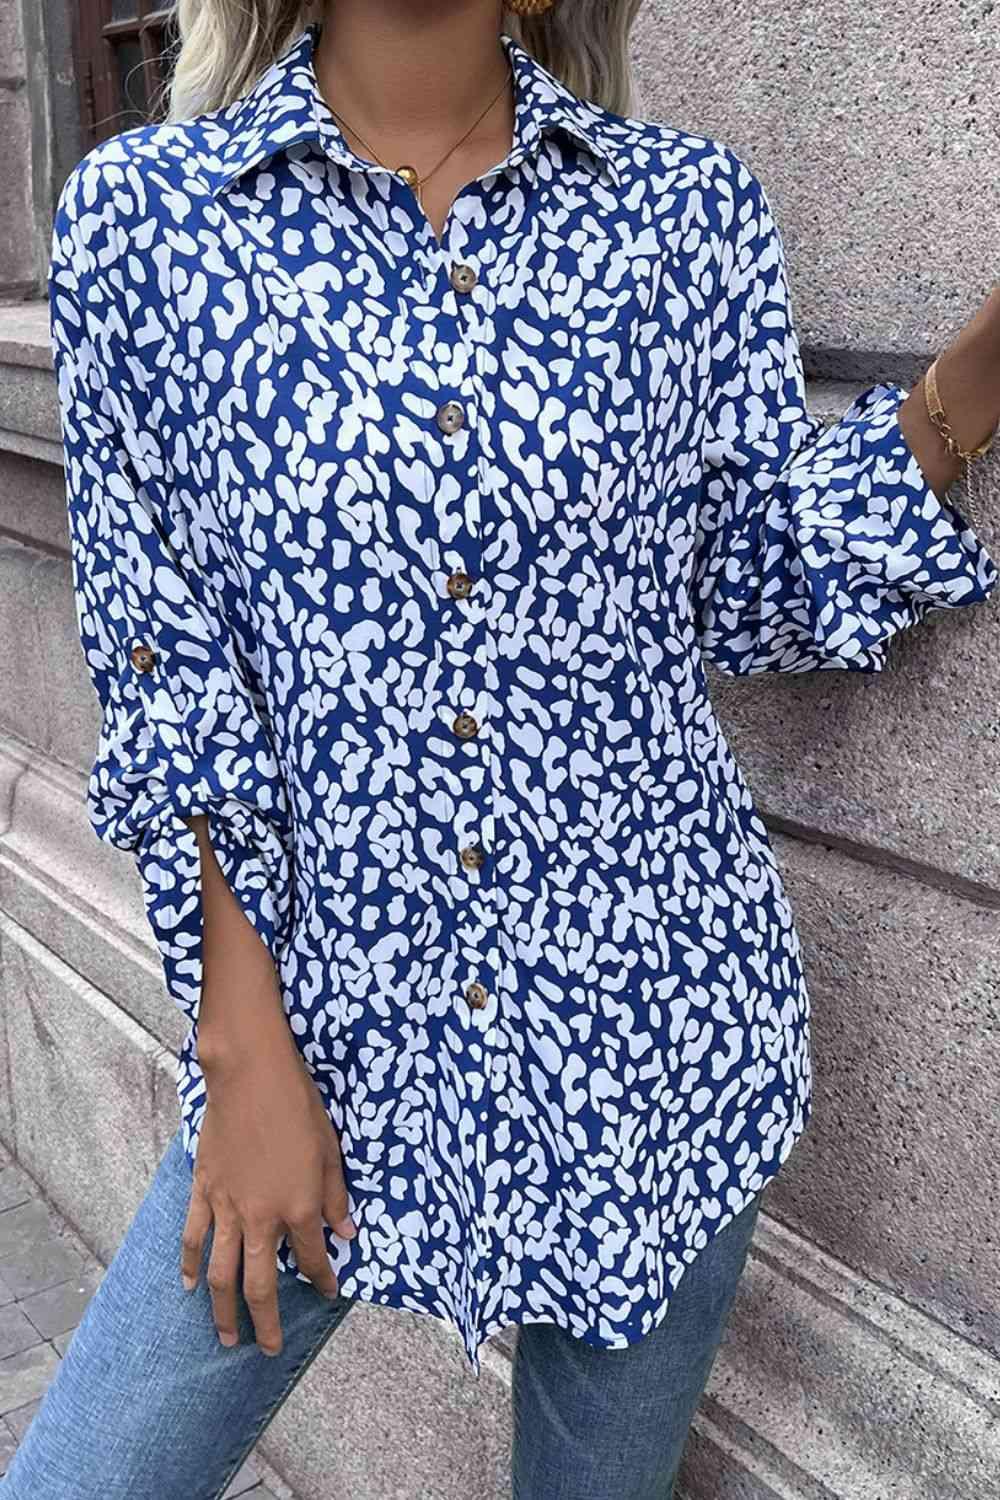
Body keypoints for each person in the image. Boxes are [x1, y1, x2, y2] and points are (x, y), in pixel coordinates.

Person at [7, 0, 999, 1496]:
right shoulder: (149, 225)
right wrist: (240, 1041)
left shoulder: (682, 216)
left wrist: (965, 391)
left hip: (657, 1039)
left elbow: (737, 586)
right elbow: (168, 670)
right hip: (329, 1034)